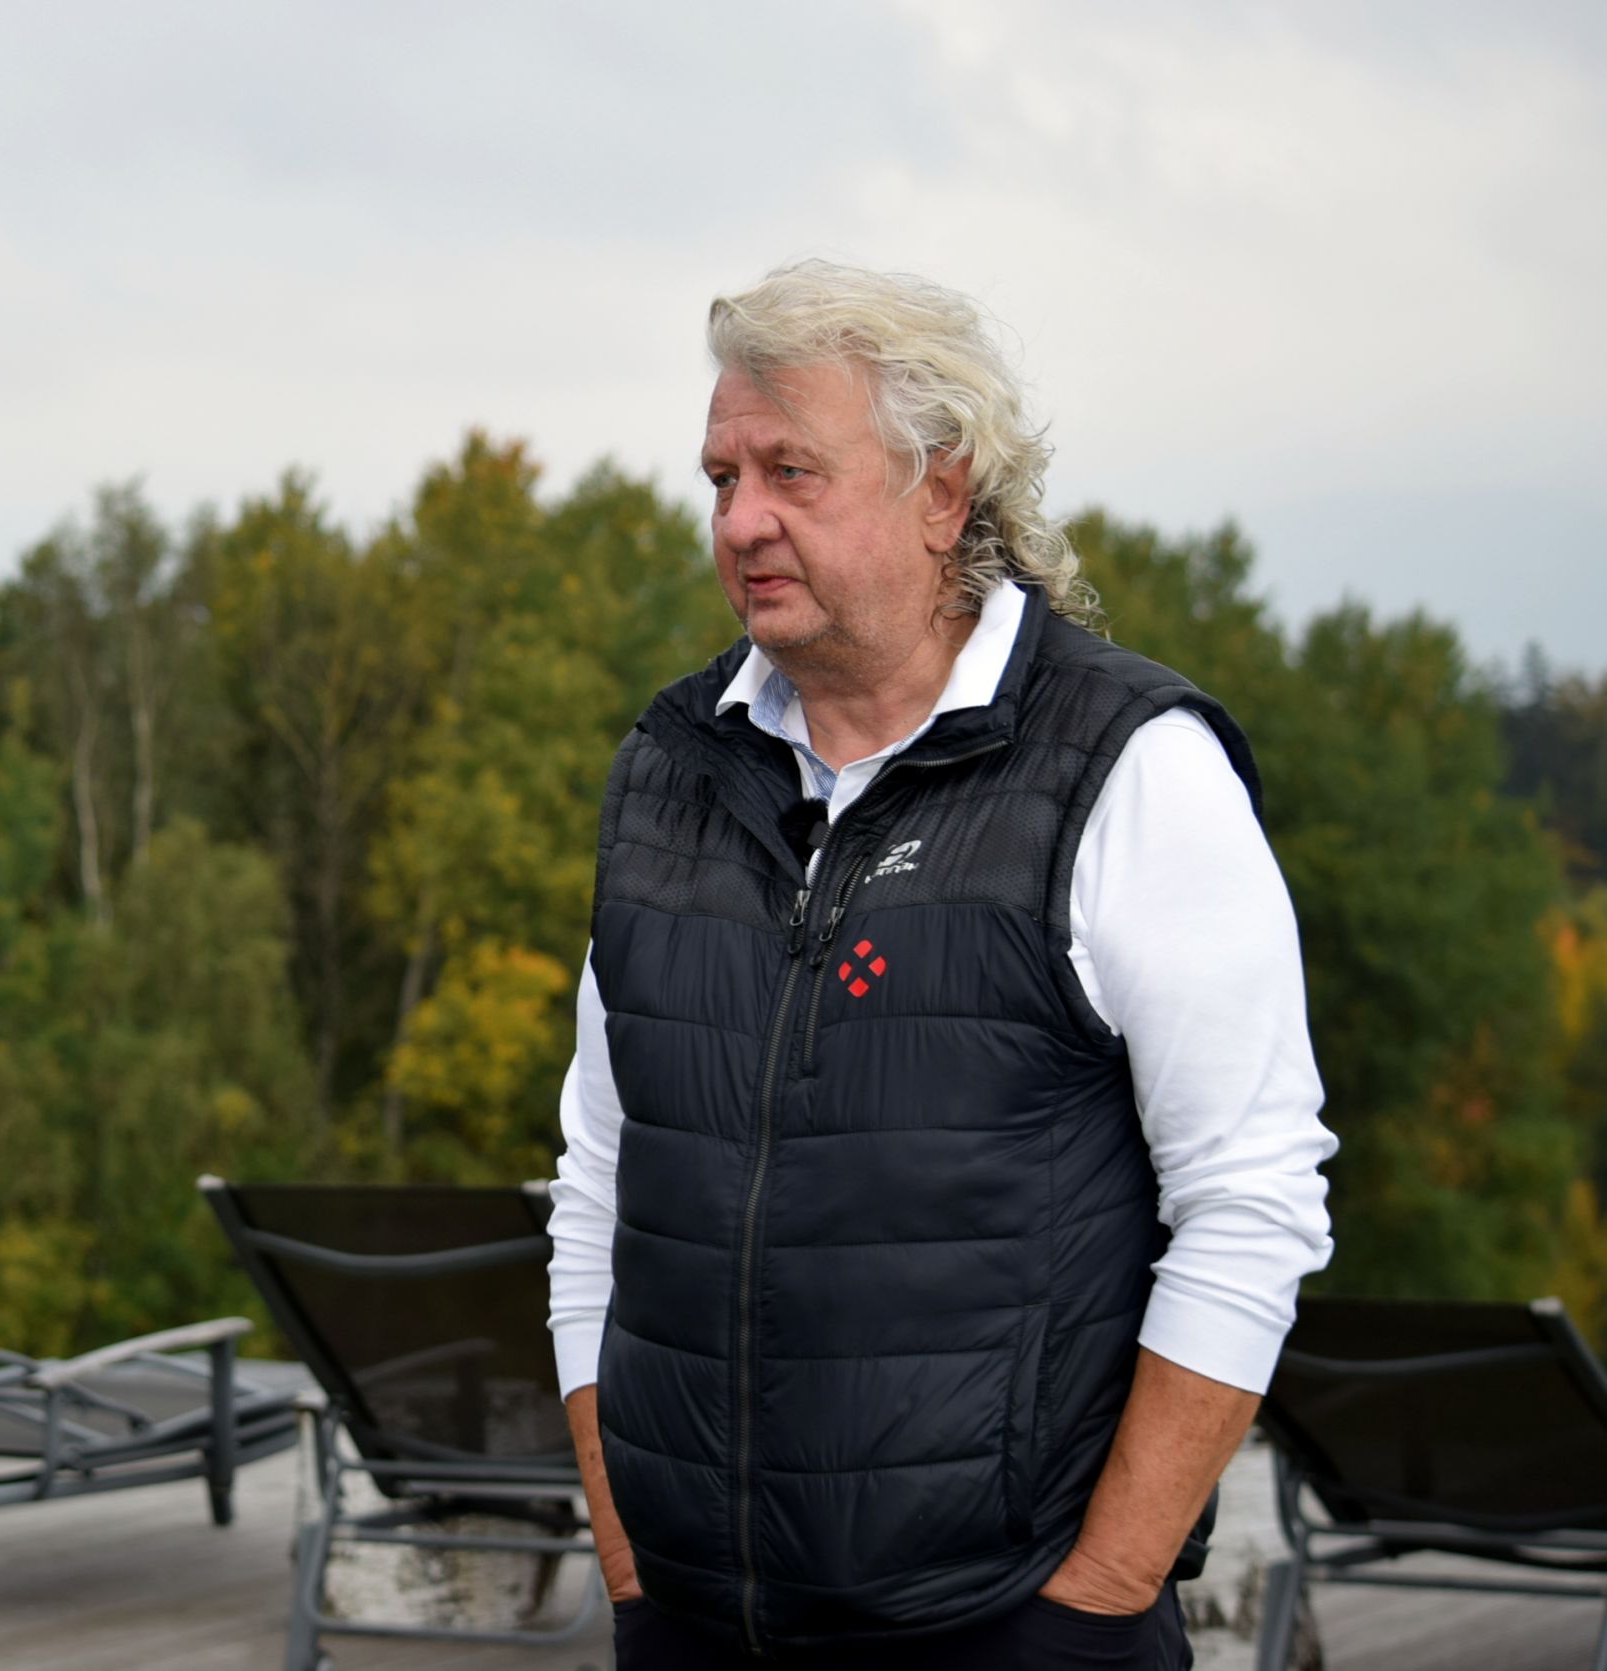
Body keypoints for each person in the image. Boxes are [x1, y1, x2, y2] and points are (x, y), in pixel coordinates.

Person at [547, 259, 1338, 1669]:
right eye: (721, 476)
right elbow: (602, 1182)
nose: (741, 519)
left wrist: (1095, 1597)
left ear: (943, 491)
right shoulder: (667, 772)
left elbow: (1252, 1203)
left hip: (1006, 1622)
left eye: (792, 471)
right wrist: (628, 1559)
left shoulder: (1129, 768)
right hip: (689, 1621)